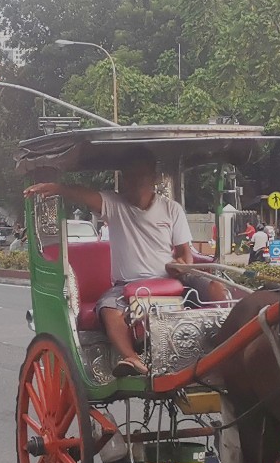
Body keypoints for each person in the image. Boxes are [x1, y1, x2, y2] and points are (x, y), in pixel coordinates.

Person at [25, 150, 226, 377]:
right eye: (131, 176)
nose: (137, 182)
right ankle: (131, 357)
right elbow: (85, 195)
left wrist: (182, 265)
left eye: (142, 175)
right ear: (123, 179)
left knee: (216, 286)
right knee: (109, 309)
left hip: (170, 279)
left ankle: (223, 345)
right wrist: (58, 188)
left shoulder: (172, 209)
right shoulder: (114, 204)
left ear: (153, 178)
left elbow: (184, 253)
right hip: (127, 285)